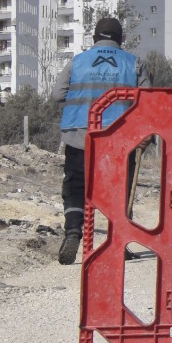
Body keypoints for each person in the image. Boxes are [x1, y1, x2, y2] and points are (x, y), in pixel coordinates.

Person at [51, 17, 148, 265]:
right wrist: (145, 137)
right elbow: (148, 102)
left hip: (79, 135)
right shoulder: (134, 63)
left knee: (76, 187)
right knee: (119, 190)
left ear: (94, 38)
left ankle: (74, 229)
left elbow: (57, 94)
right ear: (120, 39)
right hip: (119, 137)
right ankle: (120, 242)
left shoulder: (77, 62)